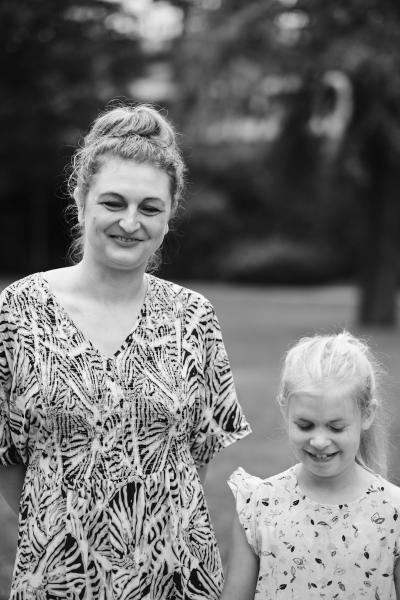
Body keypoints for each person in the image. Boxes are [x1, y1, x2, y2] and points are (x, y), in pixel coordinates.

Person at [0, 102, 251, 599]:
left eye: (150, 208)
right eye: (113, 203)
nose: (130, 223)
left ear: (169, 215)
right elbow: (6, 459)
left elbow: (195, 460)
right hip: (58, 575)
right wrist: (68, 527)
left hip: (175, 575)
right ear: (81, 201)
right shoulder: (18, 310)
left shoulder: (193, 317)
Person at [221, 331, 400, 600]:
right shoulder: (258, 506)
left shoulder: (392, 512)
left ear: (367, 414)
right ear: (285, 410)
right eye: (305, 425)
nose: (319, 441)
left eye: (335, 427)